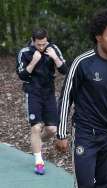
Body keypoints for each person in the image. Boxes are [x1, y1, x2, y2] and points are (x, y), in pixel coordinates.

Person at [55, 9, 107, 188]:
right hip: (85, 135)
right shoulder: (82, 63)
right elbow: (66, 97)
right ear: (98, 36)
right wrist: (61, 132)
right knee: (85, 184)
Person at [16, 28, 68, 175]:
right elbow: (22, 75)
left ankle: (36, 143)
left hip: (49, 93)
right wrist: (34, 61)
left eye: (44, 43)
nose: (42, 47)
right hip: (33, 92)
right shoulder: (25, 52)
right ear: (33, 41)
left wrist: (55, 58)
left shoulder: (53, 48)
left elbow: (64, 70)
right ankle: (39, 162)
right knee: (36, 127)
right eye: (39, 44)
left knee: (52, 130)